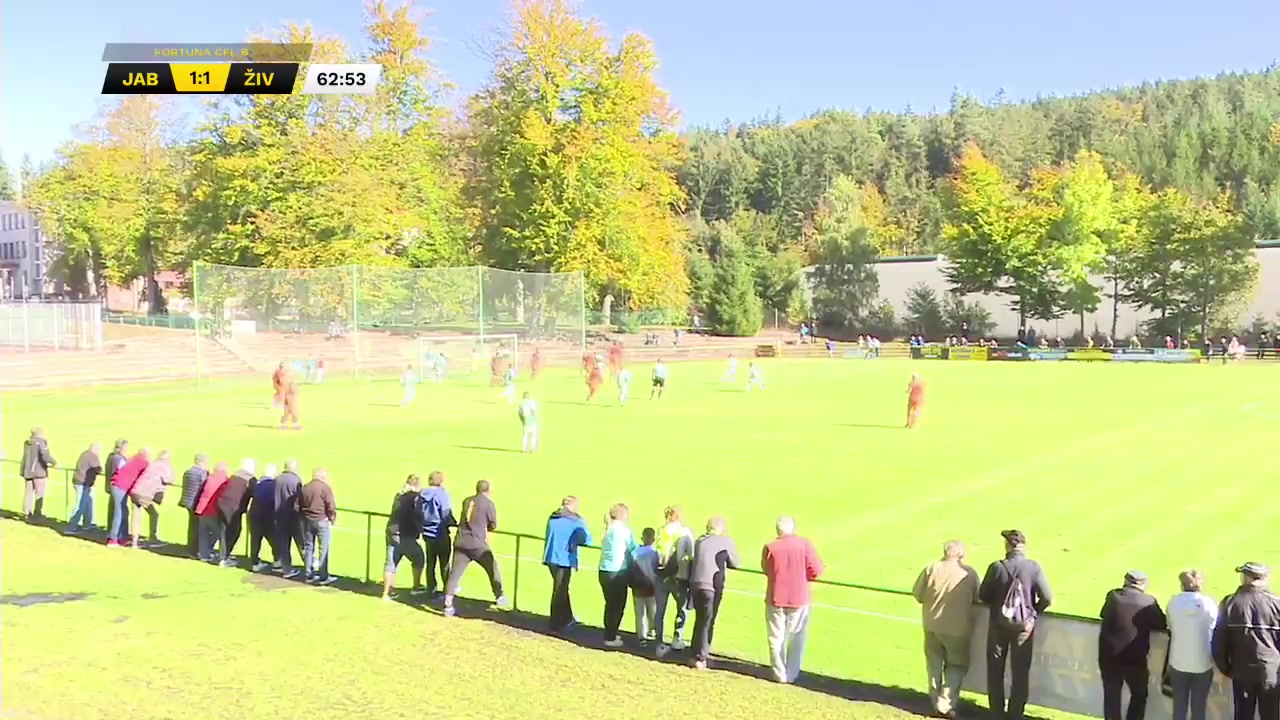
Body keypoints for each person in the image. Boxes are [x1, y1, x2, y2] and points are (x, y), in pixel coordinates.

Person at [979, 529, 1053, 720]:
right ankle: (1015, 713)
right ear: (1023, 546)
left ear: (1007, 546)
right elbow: (1047, 597)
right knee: (1020, 673)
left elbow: (983, 595)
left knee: (995, 671)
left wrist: (997, 605)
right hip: (1023, 627)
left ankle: (996, 712)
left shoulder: (997, 567)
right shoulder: (1033, 567)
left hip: (998, 625)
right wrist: (1033, 614)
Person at [912, 540, 980, 718]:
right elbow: (977, 599)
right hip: (958, 629)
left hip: (932, 625)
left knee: (934, 665)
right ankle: (945, 702)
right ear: (961, 555)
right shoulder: (969, 574)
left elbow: (918, 594)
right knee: (956, 666)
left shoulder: (931, 569)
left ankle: (936, 702)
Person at [1213, 562, 1280, 720]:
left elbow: (1219, 640)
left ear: (1246, 578)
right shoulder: (1277, 603)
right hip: (1270, 668)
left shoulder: (1230, 602)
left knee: (1243, 715)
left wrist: (1225, 668)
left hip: (1241, 668)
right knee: (1271, 715)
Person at [762, 515, 824, 683]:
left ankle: (779, 672)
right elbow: (816, 570)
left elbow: (766, 569)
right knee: (797, 637)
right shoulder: (804, 544)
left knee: (776, 637)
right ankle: (791, 673)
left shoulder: (770, 547)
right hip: (799, 597)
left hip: (776, 596)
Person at [1098, 570, 1167, 720]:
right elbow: (1161, 623)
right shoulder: (1148, 601)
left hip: (1109, 655)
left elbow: (1103, 614)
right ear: (1144, 584)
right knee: (1139, 694)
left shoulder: (1113, 596)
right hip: (1134, 657)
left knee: (1111, 695)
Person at [443, 480, 507, 617]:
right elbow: (493, 524)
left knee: (455, 574)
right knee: (492, 567)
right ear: (488, 490)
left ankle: (448, 603)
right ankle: (500, 595)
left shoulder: (467, 501)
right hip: (477, 544)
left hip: (460, 542)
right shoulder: (488, 504)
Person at [1168, 569, 1219, 720]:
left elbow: (1170, 624)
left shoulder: (1174, 602)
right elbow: (1214, 626)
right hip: (1202, 662)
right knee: (1199, 707)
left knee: (1179, 706)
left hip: (1178, 662)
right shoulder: (1209, 604)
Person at [689, 516, 740, 670]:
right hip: (711, 585)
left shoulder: (699, 541)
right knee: (708, 621)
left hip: (696, 584)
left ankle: (694, 652)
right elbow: (736, 563)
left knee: (700, 620)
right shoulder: (726, 541)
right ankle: (701, 656)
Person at [543, 496, 593, 633]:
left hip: (550, 556)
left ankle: (567, 617)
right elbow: (587, 539)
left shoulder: (553, 516)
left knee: (561, 588)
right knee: (560, 590)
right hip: (564, 559)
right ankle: (556, 623)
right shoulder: (576, 520)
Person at [654, 505, 695, 657]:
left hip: (661, 574)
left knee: (660, 611)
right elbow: (690, 555)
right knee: (681, 609)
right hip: (680, 576)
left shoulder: (661, 531)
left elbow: (657, 552)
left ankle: (658, 643)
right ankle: (677, 639)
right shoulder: (685, 532)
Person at [382, 474, 427, 601]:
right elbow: (418, 515)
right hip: (405, 534)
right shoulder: (415, 498)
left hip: (391, 531)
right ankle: (416, 587)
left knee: (390, 563)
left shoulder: (399, 495)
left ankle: (386, 592)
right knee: (419, 558)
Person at [598, 503, 635, 647]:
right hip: (617, 572)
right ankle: (610, 636)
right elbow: (633, 547)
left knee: (610, 604)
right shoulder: (624, 531)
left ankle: (610, 633)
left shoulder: (607, 529)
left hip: (604, 570)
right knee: (618, 605)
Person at [418, 470, 456, 596]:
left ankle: (431, 588)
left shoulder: (422, 494)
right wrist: (454, 523)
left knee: (430, 562)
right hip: (440, 533)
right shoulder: (442, 495)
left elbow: (418, 512)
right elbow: (446, 513)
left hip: (427, 533)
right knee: (444, 563)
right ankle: (448, 589)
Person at [298, 467, 337, 585]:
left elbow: (299, 504)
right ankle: (323, 576)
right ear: (323, 477)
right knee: (323, 549)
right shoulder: (325, 488)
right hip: (321, 521)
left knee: (309, 547)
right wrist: (332, 518)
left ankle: (308, 573)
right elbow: (331, 506)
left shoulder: (305, 487)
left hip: (307, 521)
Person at [128, 450, 174, 549]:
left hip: (135, 491)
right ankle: (153, 538)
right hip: (145, 493)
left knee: (136, 516)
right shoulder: (164, 467)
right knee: (154, 514)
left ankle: (134, 541)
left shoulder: (152, 464)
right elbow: (169, 480)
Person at [215, 459, 255, 567]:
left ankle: (223, 556)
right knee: (234, 531)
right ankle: (224, 558)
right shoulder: (250, 479)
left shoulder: (235, 475)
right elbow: (253, 494)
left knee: (224, 531)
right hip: (232, 507)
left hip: (222, 503)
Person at [107, 448, 150, 547]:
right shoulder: (144, 463)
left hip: (118, 485)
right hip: (121, 486)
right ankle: (113, 539)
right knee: (119, 513)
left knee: (123, 511)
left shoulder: (133, 459)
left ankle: (121, 537)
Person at [273, 459, 305, 578]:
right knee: (301, 542)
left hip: (279, 516)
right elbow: (300, 498)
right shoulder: (296, 480)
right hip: (293, 516)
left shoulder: (277, 479)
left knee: (283, 544)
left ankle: (286, 569)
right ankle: (309, 567)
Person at [630, 528, 660, 647]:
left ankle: (641, 636)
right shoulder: (654, 553)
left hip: (638, 586)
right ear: (653, 539)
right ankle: (652, 630)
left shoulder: (635, 552)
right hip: (651, 586)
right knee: (652, 610)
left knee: (639, 612)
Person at [194, 462, 229, 562]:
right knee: (218, 533)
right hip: (212, 510)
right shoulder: (223, 480)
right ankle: (220, 555)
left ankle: (203, 554)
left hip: (201, 508)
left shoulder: (210, 477)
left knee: (203, 533)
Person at [178, 454, 210, 557]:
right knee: (197, 527)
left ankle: (191, 548)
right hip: (196, 502)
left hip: (187, 501)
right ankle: (194, 550)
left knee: (192, 526)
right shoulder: (202, 473)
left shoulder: (188, 471)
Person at [20, 427, 56, 521]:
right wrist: (53, 462)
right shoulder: (41, 443)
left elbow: (26, 457)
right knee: (39, 493)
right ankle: (37, 513)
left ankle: (27, 513)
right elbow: (45, 456)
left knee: (28, 493)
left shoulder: (27, 442)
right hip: (38, 472)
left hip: (28, 471)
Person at [248, 463, 278, 571]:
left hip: (254, 515)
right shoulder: (273, 484)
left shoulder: (257, 483)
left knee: (255, 540)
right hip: (267, 516)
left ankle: (254, 562)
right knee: (274, 539)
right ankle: (277, 561)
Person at [67, 443, 102, 532]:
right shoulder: (92, 456)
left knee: (88, 502)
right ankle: (72, 526)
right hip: (83, 483)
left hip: (81, 481)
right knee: (80, 504)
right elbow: (98, 469)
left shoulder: (85, 454)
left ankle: (88, 523)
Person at [104, 439, 130, 540]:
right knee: (119, 511)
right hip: (119, 487)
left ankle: (111, 533)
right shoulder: (119, 459)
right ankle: (117, 535)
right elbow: (123, 472)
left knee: (113, 510)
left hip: (111, 485)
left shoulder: (111, 457)